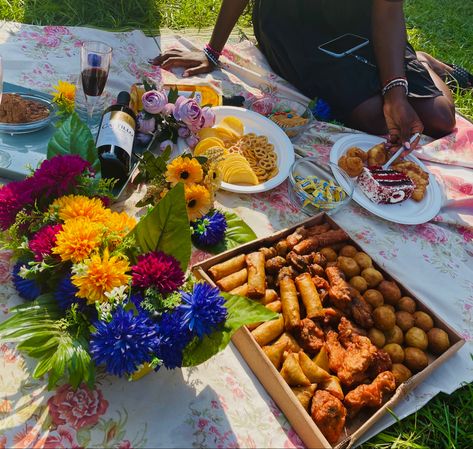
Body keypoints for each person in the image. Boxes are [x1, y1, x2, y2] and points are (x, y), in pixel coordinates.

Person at [151, 0, 458, 151]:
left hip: (358, 15)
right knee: (375, 117)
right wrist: (212, 51)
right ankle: (409, 62)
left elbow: (388, 7)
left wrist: (396, 91)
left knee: (441, 118)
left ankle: (419, 60)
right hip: (294, 22)